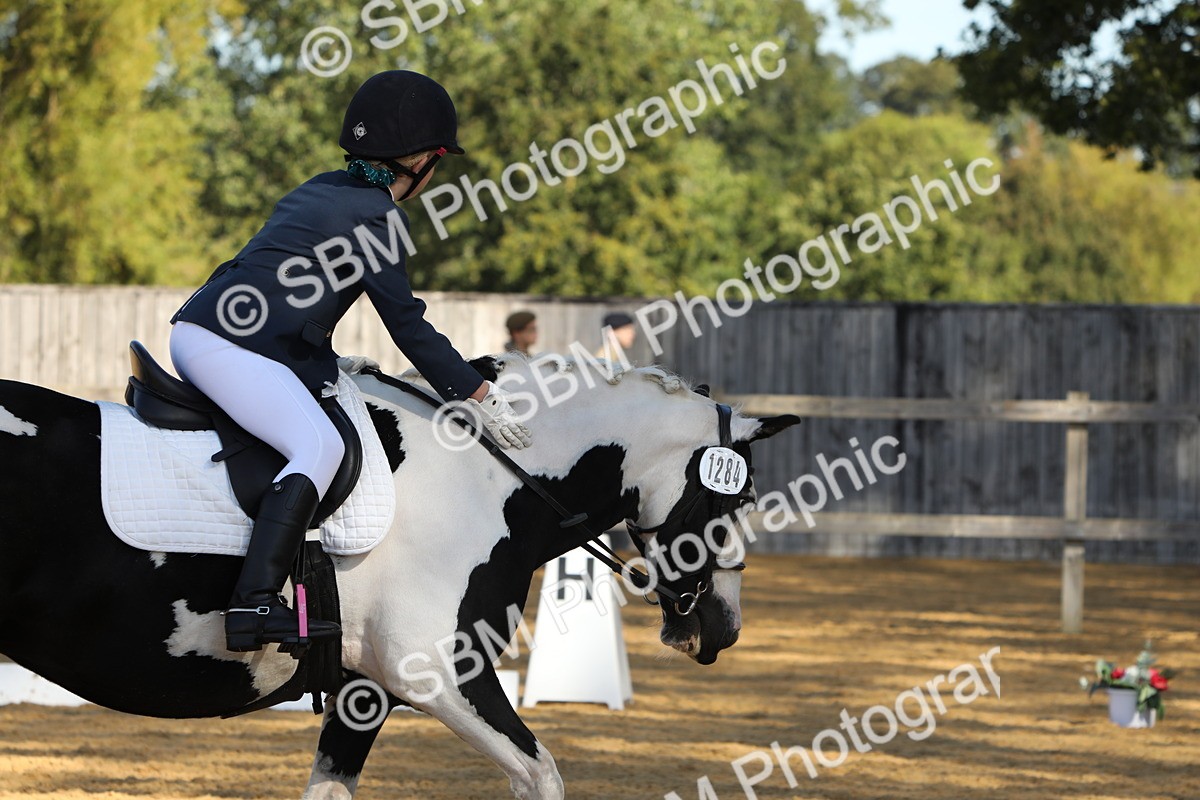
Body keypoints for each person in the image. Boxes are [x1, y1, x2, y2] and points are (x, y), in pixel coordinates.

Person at [168, 71, 531, 653]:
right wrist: (477, 393)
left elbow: (281, 290)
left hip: (203, 329)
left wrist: (324, 359)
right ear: (419, 161)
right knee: (320, 447)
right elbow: (408, 325)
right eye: (438, 162)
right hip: (227, 346)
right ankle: (252, 604)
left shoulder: (321, 188)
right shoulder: (380, 217)